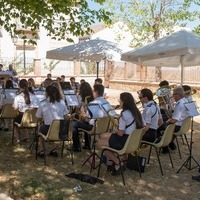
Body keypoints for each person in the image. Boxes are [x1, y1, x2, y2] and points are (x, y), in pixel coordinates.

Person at [97, 92, 144, 175]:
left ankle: (118, 162)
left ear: (124, 102)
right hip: (131, 140)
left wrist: (115, 129)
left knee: (99, 143)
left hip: (124, 141)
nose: (119, 102)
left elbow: (120, 133)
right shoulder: (136, 112)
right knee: (103, 136)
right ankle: (115, 161)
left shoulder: (124, 114)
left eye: (120, 100)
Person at [70, 84, 111, 152]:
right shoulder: (107, 103)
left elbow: (87, 119)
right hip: (104, 127)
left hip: (94, 127)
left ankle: (76, 146)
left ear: (96, 92)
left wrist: (82, 114)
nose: (92, 92)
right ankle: (87, 144)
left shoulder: (93, 104)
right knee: (84, 123)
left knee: (74, 124)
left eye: (93, 91)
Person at [36, 85, 69, 157]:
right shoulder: (62, 102)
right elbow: (66, 117)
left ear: (47, 93)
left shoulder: (43, 103)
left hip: (49, 129)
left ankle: (42, 150)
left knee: (40, 129)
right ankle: (54, 150)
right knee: (53, 128)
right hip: (61, 129)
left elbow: (38, 117)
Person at [162, 87, 190, 152]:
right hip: (183, 125)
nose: (173, 96)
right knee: (164, 120)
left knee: (159, 126)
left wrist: (166, 121)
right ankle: (171, 145)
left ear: (178, 94)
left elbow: (174, 120)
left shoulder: (180, 104)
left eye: (174, 94)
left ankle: (165, 147)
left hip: (177, 126)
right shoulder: (185, 100)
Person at [13, 79, 40, 143]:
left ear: (19, 86)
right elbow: (38, 107)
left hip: (24, 118)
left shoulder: (18, 97)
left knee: (15, 121)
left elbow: (15, 108)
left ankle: (17, 138)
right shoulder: (34, 96)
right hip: (34, 119)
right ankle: (26, 137)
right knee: (24, 117)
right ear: (28, 86)